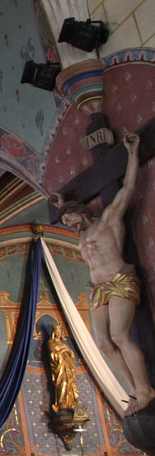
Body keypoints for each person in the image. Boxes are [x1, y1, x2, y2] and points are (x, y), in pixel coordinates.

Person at [52, 130, 153, 417]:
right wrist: (60, 207)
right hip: (98, 289)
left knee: (121, 335)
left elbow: (129, 188)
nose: (71, 225)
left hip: (120, 280)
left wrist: (132, 154)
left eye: (72, 219)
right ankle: (133, 391)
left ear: (82, 212)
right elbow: (71, 224)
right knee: (102, 342)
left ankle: (146, 389)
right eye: (67, 222)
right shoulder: (81, 238)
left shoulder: (108, 221)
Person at [47, 322, 81, 413]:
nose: (58, 334)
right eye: (57, 332)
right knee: (63, 384)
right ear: (54, 333)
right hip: (60, 369)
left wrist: (68, 351)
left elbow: (72, 355)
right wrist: (61, 352)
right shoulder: (51, 344)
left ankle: (70, 403)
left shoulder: (64, 344)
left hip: (68, 368)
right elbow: (52, 356)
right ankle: (62, 404)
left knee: (69, 384)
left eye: (60, 332)